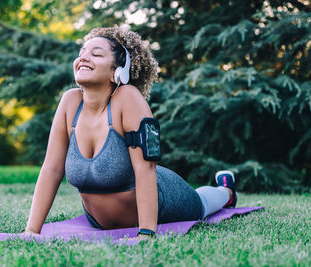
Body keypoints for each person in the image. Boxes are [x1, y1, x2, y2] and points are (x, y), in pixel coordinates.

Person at [25, 26, 237, 239]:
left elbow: (146, 168)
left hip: (164, 199)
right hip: (98, 221)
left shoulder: (128, 98)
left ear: (118, 71)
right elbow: (51, 169)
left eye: (96, 54)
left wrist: (146, 233)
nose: (84, 58)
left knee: (202, 204)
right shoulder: (70, 102)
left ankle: (226, 191)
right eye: (81, 53)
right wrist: (31, 231)